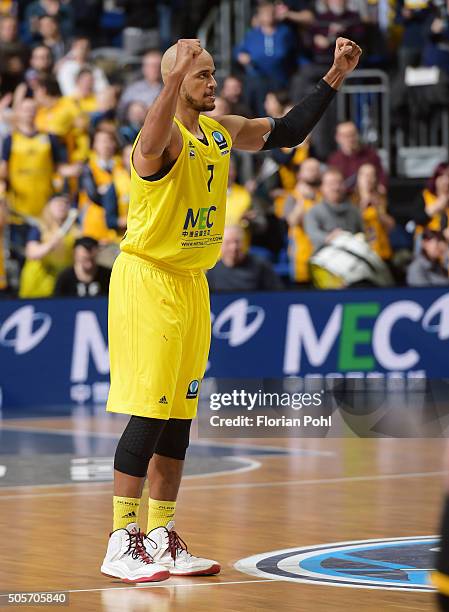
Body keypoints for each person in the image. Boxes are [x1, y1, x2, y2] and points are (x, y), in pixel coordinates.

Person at [102, 36, 361, 583]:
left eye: (213, 73)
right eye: (201, 76)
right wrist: (173, 74)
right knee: (149, 411)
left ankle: (160, 538)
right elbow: (147, 140)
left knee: (179, 418)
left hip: (193, 283)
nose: (212, 83)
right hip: (149, 280)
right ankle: (121, 540)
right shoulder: (163, 140)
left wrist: (335, 73)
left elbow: (288, 133)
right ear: (175, 85)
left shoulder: (221, 133)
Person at [18, 194, 78, 298]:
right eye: (57, 203)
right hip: (37, 285)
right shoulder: (39, 228)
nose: (62, 206)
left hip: (62, 286)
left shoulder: (75, 231)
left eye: (65, 203)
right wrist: (50, 245)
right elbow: (32, 253)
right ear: (48, 206)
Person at [304, 167, 364, 250]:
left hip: (352, 255)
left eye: (339, 183)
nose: (336, 188)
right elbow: (313, 234)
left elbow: (362, 234)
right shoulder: (314, 211)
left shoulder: (354, 211)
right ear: (322, 187)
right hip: (324, 257)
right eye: (331, 184)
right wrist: (329, 237)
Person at [207, 225, 282, 291]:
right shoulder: (212, 271)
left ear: (244, 243)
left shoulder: (260, 265)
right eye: (228, 242)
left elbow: (277, 293)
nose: (233, 247)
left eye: (237, 242)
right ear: (220, 246)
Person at [283, 157, 322, 283]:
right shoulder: (293, 196)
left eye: (316, 169)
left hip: (323, 253)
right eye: (309, 169)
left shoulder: (325, 194)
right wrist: (303, 200)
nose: (314, 172)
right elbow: (292, 221)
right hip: (301, 254)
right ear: (300, 174)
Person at [327, 121, 387, 191]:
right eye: (345, 135)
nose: (350, 139)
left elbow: (381, 179)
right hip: (343, 198)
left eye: (352, 134)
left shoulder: (371, 155)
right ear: (337, 137)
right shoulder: (334, 159)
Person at [352, 163, 394, 261]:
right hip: (360, 252)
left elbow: (391, 226)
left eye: (371, 175)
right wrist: (363, 204)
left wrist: (378, 210)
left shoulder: (382, 199)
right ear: (358, 178)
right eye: (364, 175)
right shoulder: (351, 201)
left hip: (381, 250)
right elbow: (351, 225)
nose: (368, 179)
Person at [118, 50, 163, 114]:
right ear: (144, 68)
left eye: (158, 65)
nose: (156, 69)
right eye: (152, 66)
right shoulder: (134, 88)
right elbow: (121, 110)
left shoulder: (168, 88)